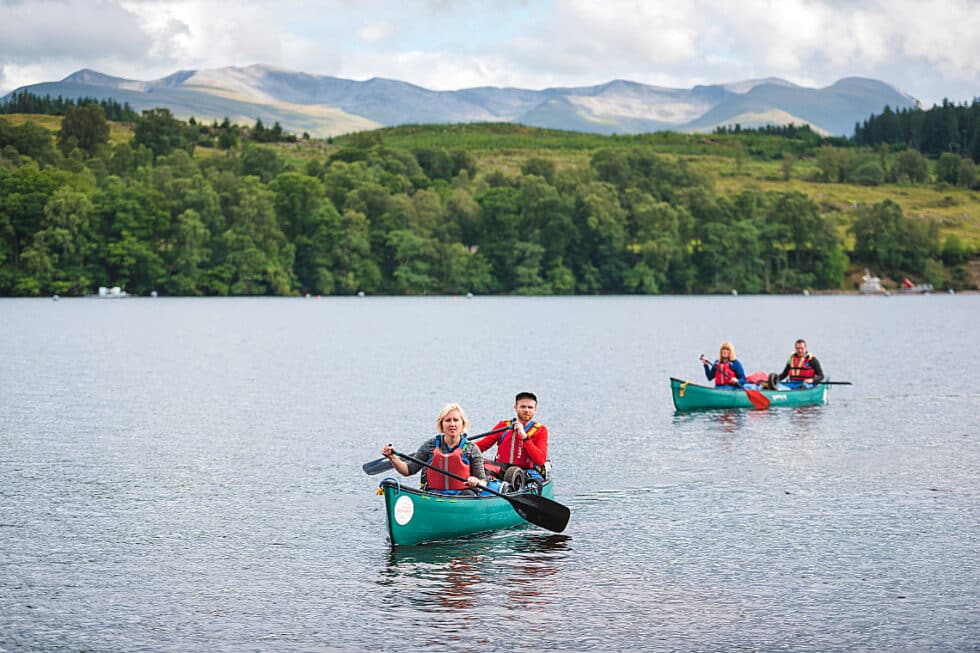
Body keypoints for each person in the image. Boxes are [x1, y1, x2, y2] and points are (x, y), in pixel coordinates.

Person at [380, 403, 487, 495]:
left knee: (469, 493)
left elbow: (483, 482)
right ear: (441, 424)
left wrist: (476, 481)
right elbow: (408, 470)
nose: (452, 424)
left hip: (464, 495)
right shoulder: (429, 446)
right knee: (429, 493)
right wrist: (392, 457)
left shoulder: (472, 449)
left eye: (456, 420)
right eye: (448, 420)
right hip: (435, 494)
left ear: (462, 424)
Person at [476, 391, 549, 483]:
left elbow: (540, 460)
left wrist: (524, 437)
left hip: (526, 471)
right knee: (478, 467)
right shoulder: (503, 425)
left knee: (526, 478)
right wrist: (461, 447)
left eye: (530, 407)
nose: (526, 410)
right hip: (501, 468)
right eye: (523, 407)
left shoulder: (541, 430)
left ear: (535, 409)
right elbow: (481, 446)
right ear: (515, 407)